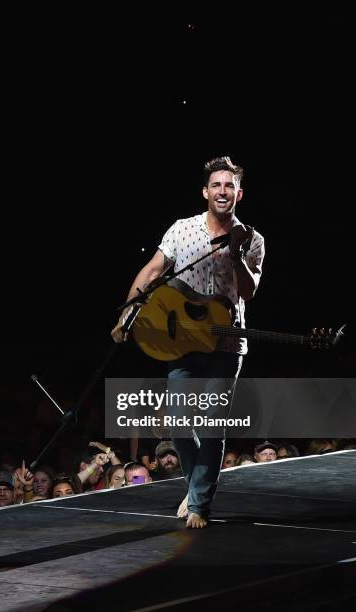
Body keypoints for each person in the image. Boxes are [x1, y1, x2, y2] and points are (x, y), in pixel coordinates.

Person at [112, 156, 265, 528]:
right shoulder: (181, 230)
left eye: (229, 186)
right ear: (205, 191)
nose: (223, 191)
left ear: (239, 193)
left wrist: (235, 253)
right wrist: (126, 314)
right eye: (217, 185)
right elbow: (152, 271)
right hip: (181, 342)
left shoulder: (252, 239)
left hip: (226, 347)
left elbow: (250, 290)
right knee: (179, 423)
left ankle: (198, 503)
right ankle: (198, 483)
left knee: (212, 425)